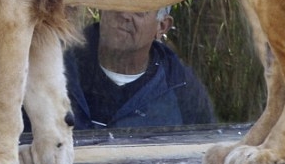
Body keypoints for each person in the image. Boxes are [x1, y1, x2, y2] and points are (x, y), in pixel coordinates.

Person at [65, 8, 215, 130]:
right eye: (117, 1)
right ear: (101, 8)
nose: (124, 14)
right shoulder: (59, 67)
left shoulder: (181, 88)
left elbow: (205, 146)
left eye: (139, 9)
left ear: (162, 26)